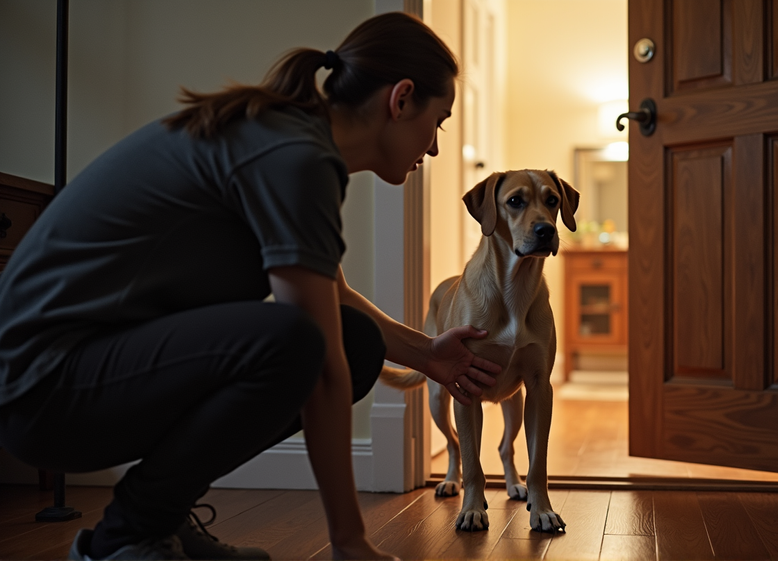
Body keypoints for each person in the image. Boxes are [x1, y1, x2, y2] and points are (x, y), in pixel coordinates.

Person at [0, 12, 497, 561]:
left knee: (353, 341)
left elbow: (334, 299)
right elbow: (318, 355)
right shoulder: (295, 157)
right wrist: (351, 542)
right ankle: (134, 532)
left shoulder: (292, 140)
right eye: (438, 122)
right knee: (300, 343)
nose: (432, 148)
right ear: (400, 100)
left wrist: (429, 354)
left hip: (75, 375)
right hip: (43, 389)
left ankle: (150, 518)